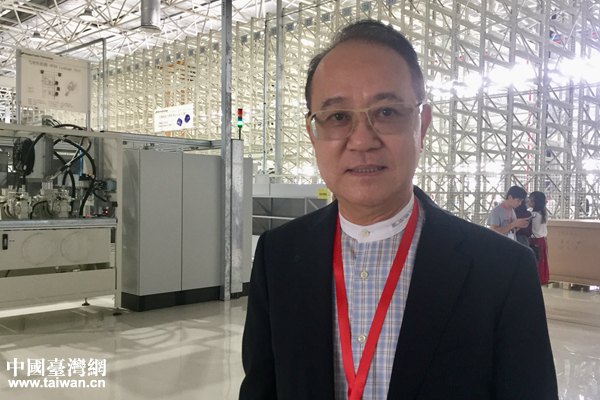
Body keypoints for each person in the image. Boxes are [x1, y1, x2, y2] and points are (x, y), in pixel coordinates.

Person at [240, 20, 558, 400]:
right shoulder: (278, 256)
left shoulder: (502, 270)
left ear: (421, 126)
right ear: (313, 133)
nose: (362, 140)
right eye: (338, 116)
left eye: (387, 112)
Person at [529, 191, 550, 284]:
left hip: (534, 241)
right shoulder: (544, 213)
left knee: (535, 261)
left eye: (531, 200)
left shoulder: (533, 215)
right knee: (541, 260)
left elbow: (531, 229)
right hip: (542, 240)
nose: (529, 202)